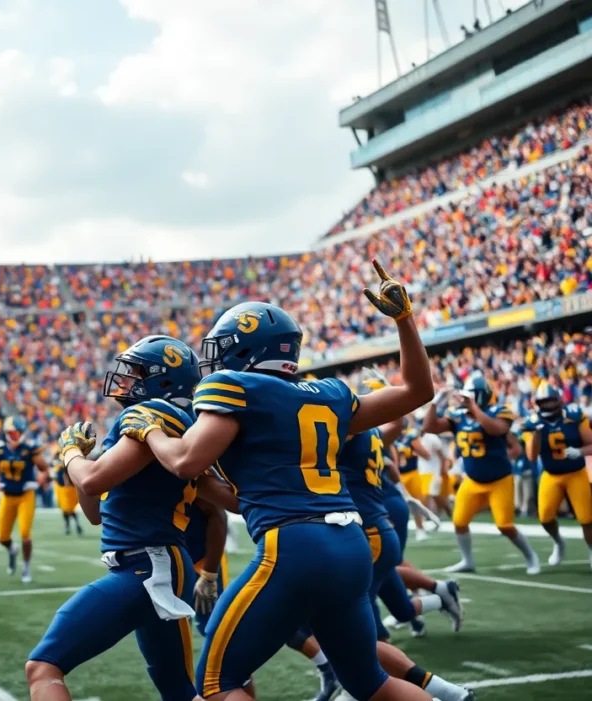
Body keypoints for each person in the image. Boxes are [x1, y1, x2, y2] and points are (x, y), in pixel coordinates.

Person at [117, 261, 436, 701]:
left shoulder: (236, 387)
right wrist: (404, 320)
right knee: (370, 683)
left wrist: (147, 427)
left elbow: (186, 461)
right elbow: (418, 392)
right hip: (349, 543)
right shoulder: (331, 394)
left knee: (216, 684)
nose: (213, 360)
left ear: (246, 351)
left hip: (294, 546)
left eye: (222, 348)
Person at [27, 335, 211, 701]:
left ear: (162, 380)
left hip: (148, 566)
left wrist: (69, 454)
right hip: (156, 563)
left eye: (137, 372)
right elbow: (94, 510)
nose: (125, 381)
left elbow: (92, 480)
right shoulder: (171, 421)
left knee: (43, 666)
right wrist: (82, 460)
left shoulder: (150, 415)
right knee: (178, 691)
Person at [423, 374, 540, 575]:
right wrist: (435, 403)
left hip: (499, 480)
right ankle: (467, 561)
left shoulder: (499, 411)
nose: (463, 400)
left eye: (469, 396)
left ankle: (531, 556)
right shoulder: (457, 415)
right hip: (473, 480)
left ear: (480, 397)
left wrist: (474, 408)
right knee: (459, 522)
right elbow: (428, 427)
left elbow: (495, 429)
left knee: (504, 525)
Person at [524, 383, 592, 568]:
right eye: (543, 402)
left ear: (559, 400)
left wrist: (579, 451)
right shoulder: (532, 421)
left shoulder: (574, 415)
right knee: (545, 517)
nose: (547, 405)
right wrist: (536, 433)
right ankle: (558, 542)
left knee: (587, 518)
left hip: (575, 473)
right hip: (551, 474)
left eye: (550, 401)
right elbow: (531, 455)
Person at [0, 416, 49, 584]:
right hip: (7, 496)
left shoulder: (29, 448)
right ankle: (12, 550)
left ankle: (26, 566)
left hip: (25, 496)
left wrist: (37, 482)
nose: (17, 436)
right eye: (14, 433)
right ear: (7, 433)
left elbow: (44, 469)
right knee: (2, 537)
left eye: (19, 433)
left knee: (25, 534)